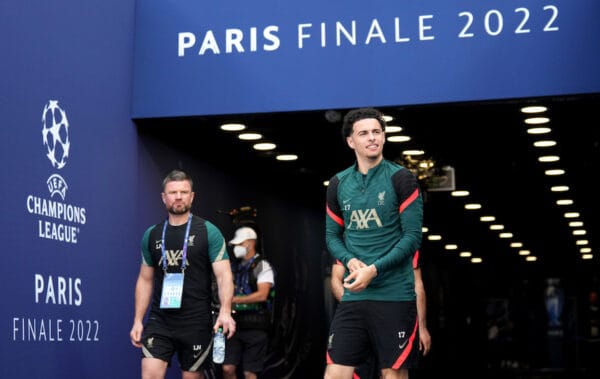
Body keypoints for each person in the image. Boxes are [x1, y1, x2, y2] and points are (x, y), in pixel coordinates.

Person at [324, 107, 424, 379]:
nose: (372, 138)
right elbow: (332, 237)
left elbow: (413, 238)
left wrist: (374, 269)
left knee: (392, 374)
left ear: (384, 137)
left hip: (394, 296)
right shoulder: (338, 183)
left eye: (377, 132)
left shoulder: (402, 178)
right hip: (355, 299)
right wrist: (348, 259)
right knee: (335, 374)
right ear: (350, 141)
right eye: (364, 133)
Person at [129, 169, 236, 379]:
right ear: (163, 197)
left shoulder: (208, 231)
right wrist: (138, 320)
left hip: (196, 320)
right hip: (161, 320)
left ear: (192, 196)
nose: (178, 197)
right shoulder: (152, 234)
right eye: (173, 192)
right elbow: (145, 279)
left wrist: (225, 311)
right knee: (149, 374)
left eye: (184, 192)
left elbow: (224, 276)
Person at [330, 253, 431, 379]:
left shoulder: (404, 239)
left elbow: (417, 284)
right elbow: (335, 280)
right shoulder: (348, 237)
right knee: (339, 372)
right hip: (357, 317)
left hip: (392, 313)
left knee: (393, 372)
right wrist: (353, 306)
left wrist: (422, 326)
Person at [223, 226, 275, 379]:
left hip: (256, 325)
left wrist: (234, 299)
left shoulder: (263, 266)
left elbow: (262, 295)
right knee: (227, 368)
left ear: (250, 243)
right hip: (234, 325)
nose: (237, 247)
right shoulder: (235, 267)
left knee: (250, 372)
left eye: (240, 243)